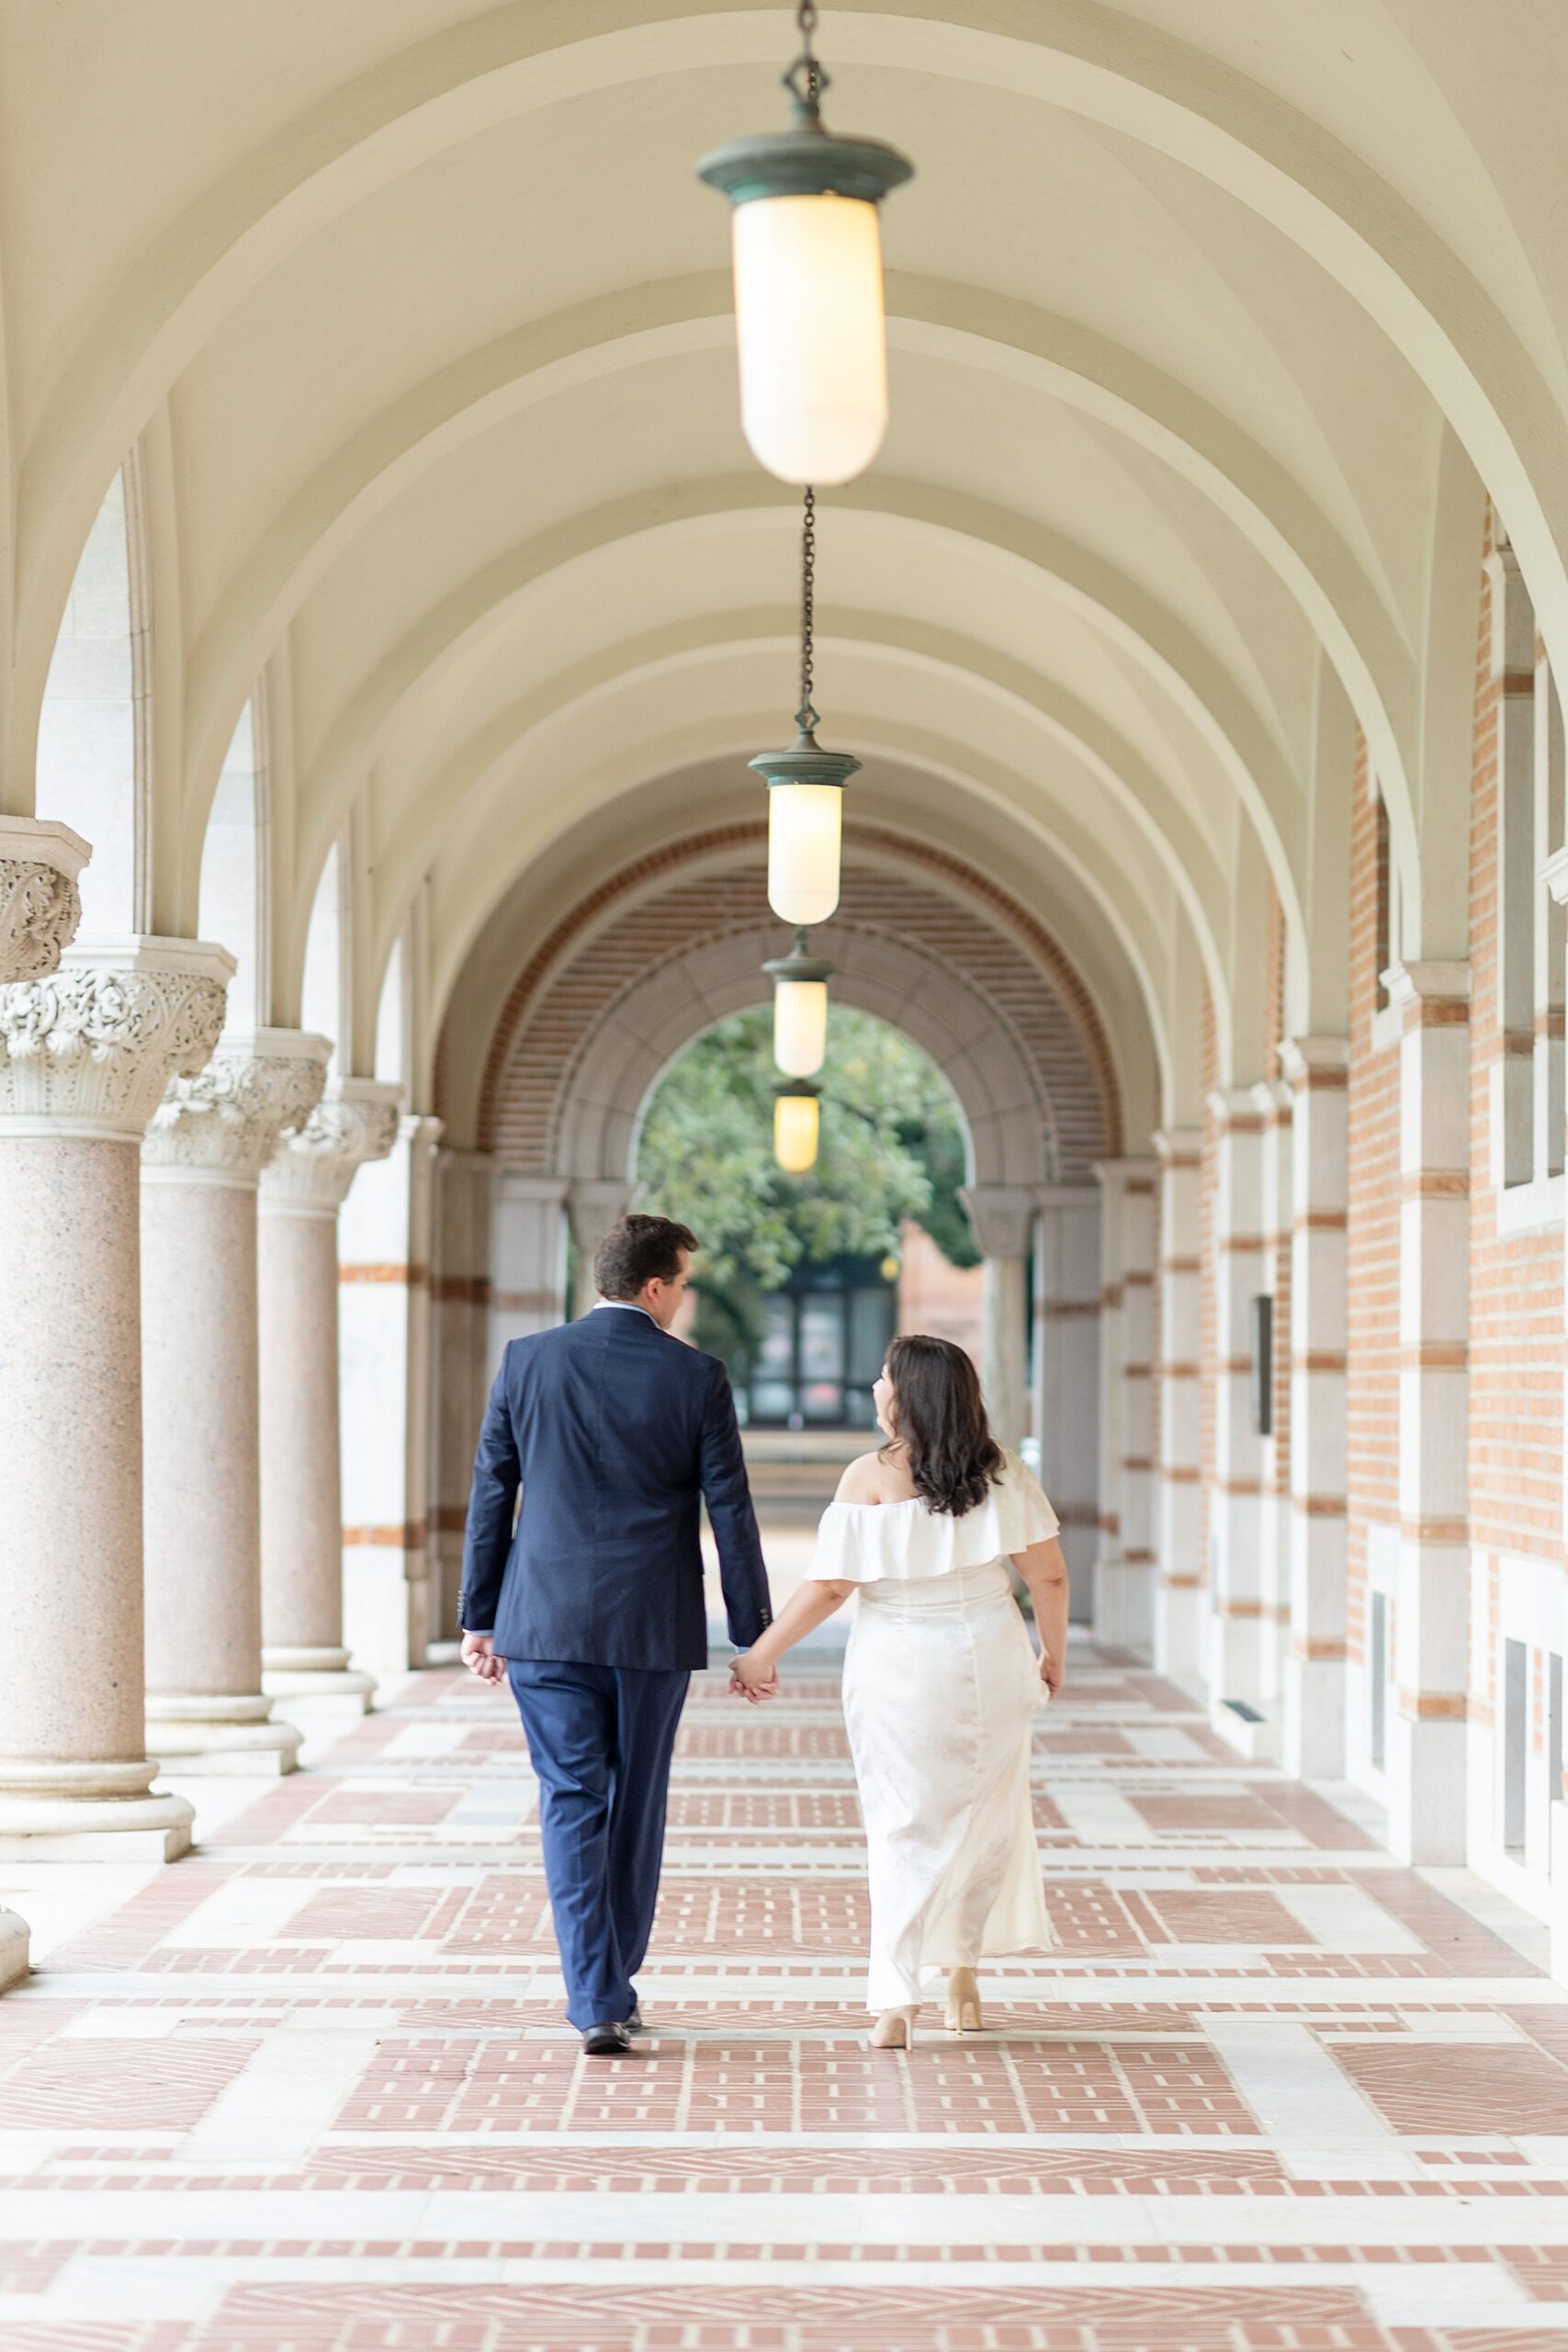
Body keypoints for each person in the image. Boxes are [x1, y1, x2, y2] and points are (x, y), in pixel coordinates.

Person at [458, 1213, 773, 2057]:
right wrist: (753, 1633)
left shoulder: (527, 1361)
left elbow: (494, 1491)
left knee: (570, 1800)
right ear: (656, 1285)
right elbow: (729, 1509)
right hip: (650, 1623)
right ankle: (608, 1986)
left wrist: (479, 1616)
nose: (684, 1300)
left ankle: (597, 1992)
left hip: (543, 1619)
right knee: (634, 1805)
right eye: (683, 1283)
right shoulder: (695, 1376)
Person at [728, 1332, 1067, 2047]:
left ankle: (894, 2000)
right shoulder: (1002, 1469)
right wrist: (1051, 1654)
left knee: (902, 1823)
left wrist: (761, 1654)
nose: (876, 1387)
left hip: (901, 1664)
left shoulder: (870, 1476)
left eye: (883, 1376)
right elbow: (1049, 1576)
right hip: (994, 1655)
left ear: (905, 1393)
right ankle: (963, 1981)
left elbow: (829, 1586)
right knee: (986, 1817)